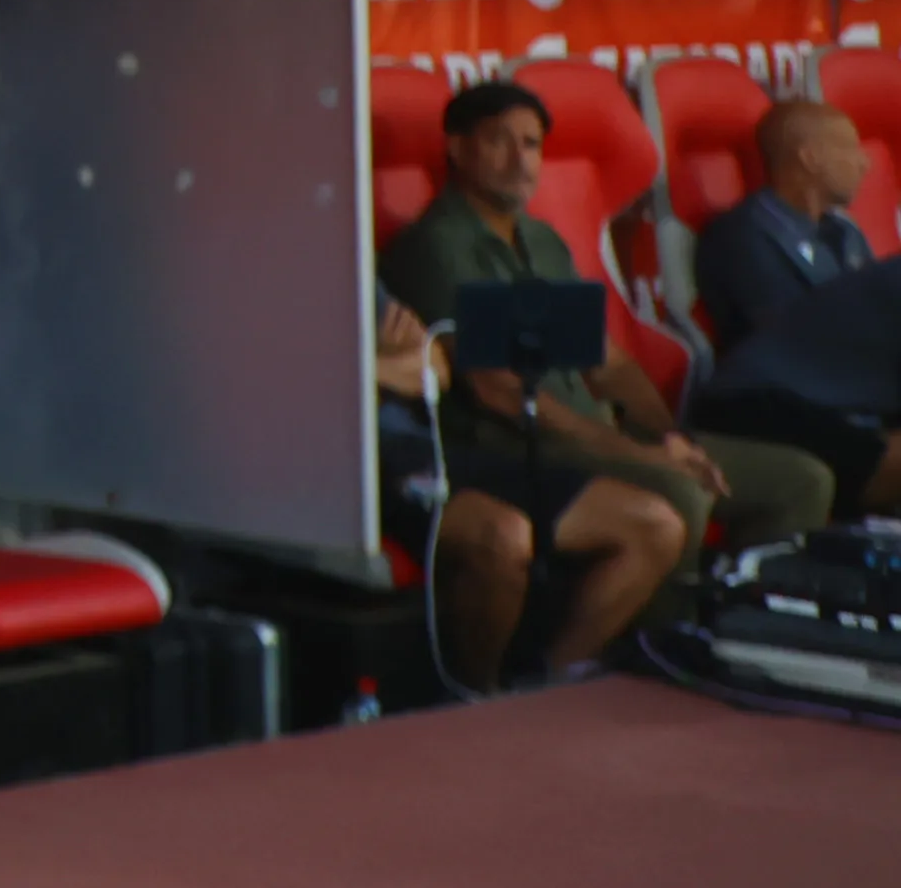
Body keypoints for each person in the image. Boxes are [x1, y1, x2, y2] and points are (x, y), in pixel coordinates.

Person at [374, 79, 789, 685]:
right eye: (499, 142)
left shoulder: (540, 240)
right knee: (679, 496)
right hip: (516, 442)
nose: (521, 160)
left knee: (797, 480)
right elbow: (498, 393)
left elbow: (609, 365)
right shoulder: (436, 247)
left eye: (532, 145)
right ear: (457, 150)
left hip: (596, 434)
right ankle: (656, 663)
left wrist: (673, 438)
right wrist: (648, 456)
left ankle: (744, 644)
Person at [689, 99, 901, 516]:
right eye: (849, 149)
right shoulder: (745, 233)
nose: (864, 164)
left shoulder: (845, 233)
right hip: (773, 401)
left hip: (849, 394)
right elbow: (793, 333)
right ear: (811, 157)